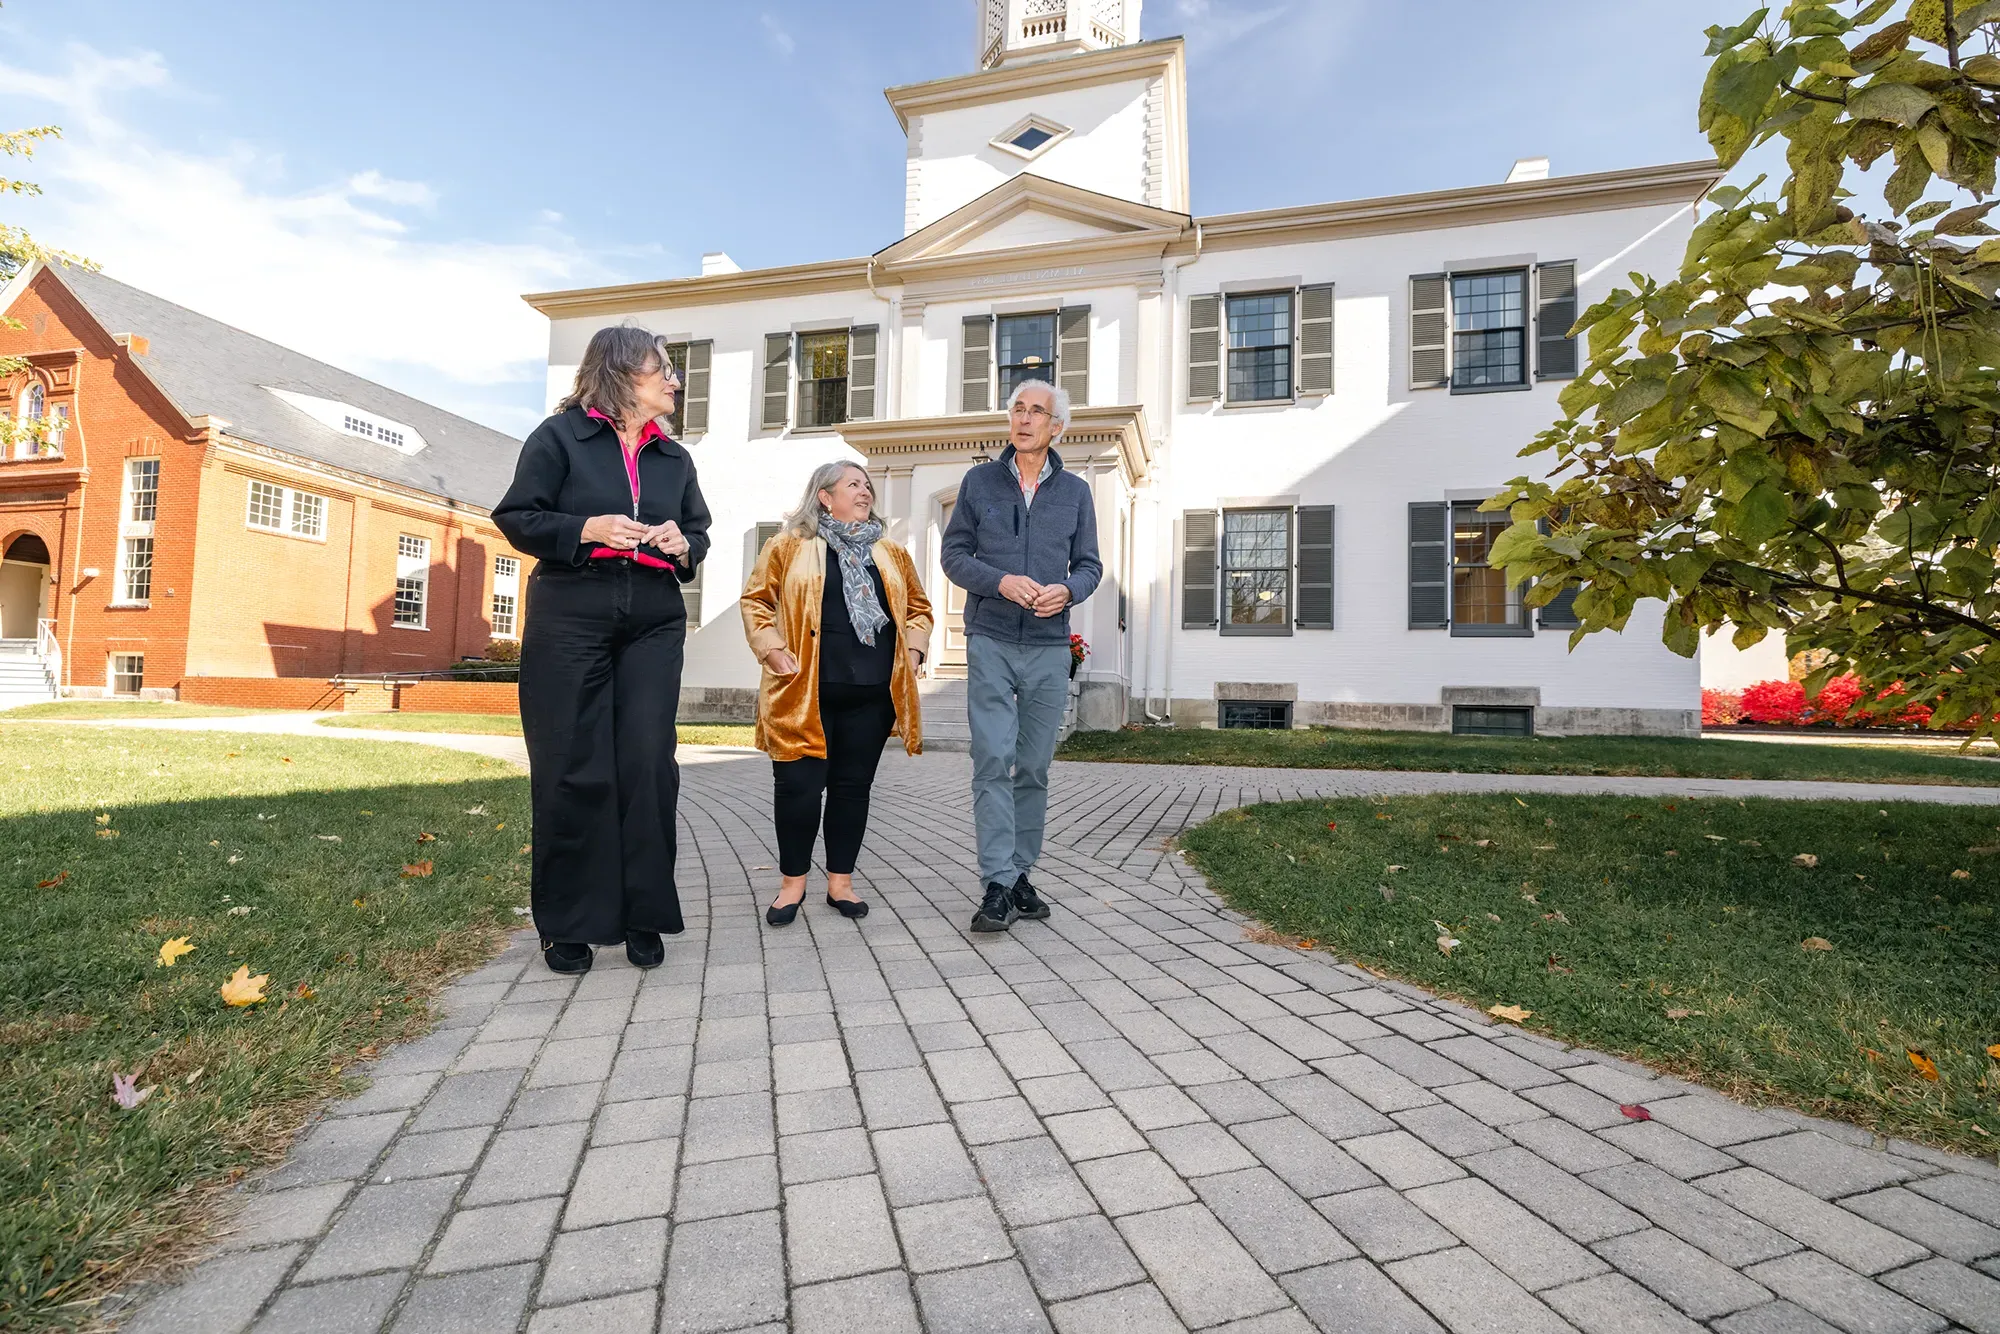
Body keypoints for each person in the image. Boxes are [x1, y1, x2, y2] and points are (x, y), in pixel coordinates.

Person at [492, 326, 711, 975]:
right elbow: (517, 516)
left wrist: (683, 546)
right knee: (573, 764)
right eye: (662, 369)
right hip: (571, 609)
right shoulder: (558, 439)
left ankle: (643, 914)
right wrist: (583, 527)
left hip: (652, 614)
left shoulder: (675, 459)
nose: (674, 380)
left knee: (647, 764)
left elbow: (698, 532)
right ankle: (569, 923)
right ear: (621, 373)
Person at [940, 379, 1101, 933]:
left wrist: (1070, 590)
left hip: (1050, 646)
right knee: (991, 759)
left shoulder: (1076, 492)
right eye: (1018, 409)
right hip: (990, 638)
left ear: (1057, 427)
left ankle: (1020, 872)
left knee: (1032, 766)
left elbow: (1090, 565)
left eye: (1038, 412)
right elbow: (954, 556)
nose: (1025, 419)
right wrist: (1001, 581)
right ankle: (997, 882)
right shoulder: (978, 481)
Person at [741, 462, 933, 925]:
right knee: (798, 791)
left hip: (871, 694)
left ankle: (840, 883)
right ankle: (792, 886)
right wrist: (771, 651)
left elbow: (919, 609)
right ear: (825, 496)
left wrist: (914, 649)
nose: (865, 491)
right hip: (804, 692)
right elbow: (756, 601)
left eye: (867, 485)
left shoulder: (890, 552)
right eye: (854, 484)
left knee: (852, 790)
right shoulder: (788, 546)